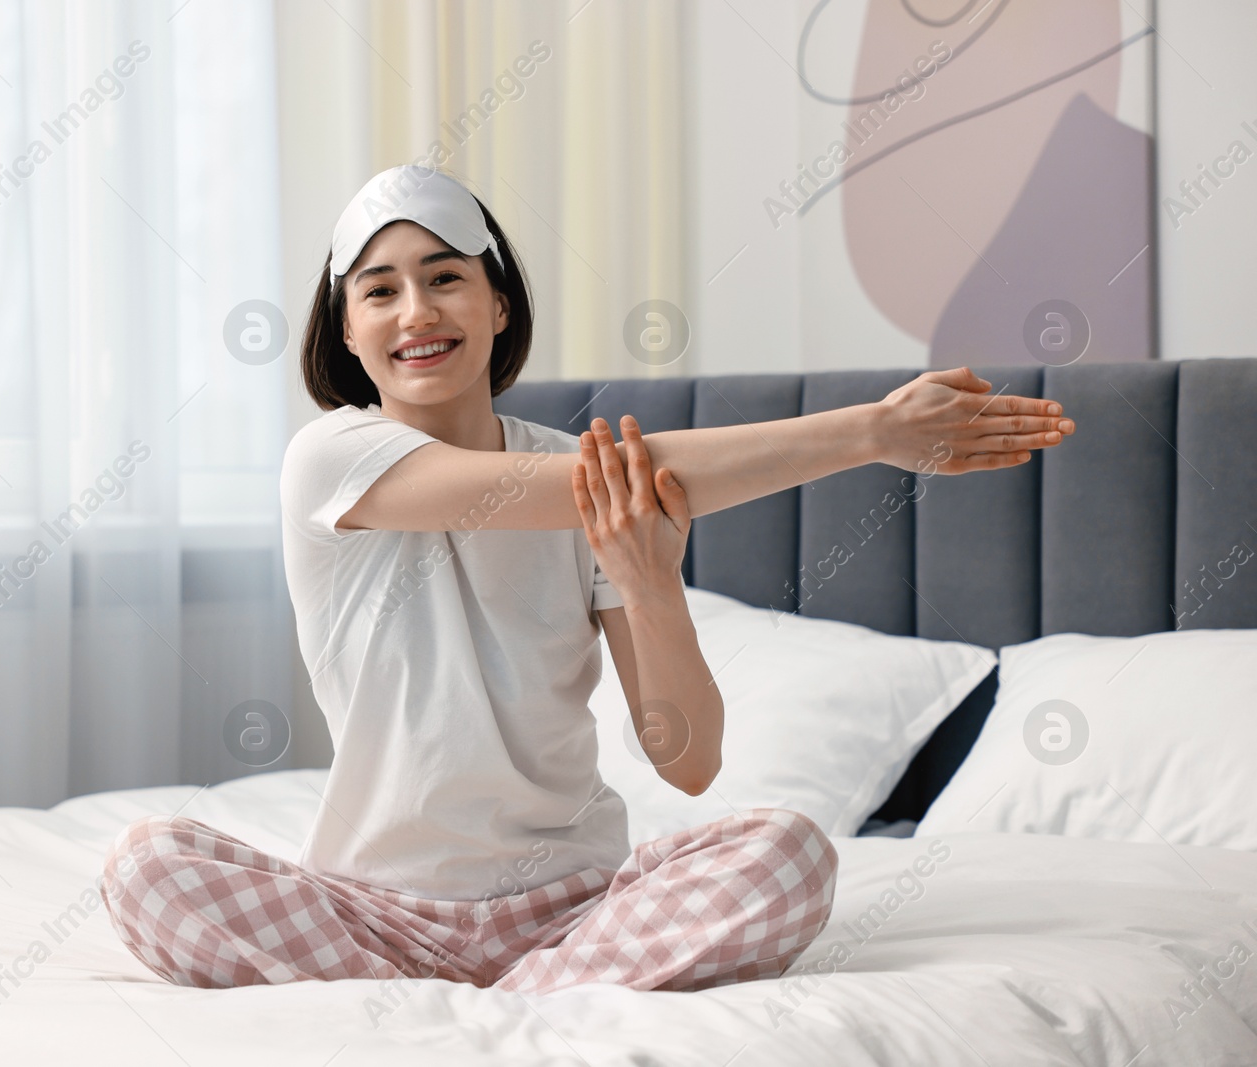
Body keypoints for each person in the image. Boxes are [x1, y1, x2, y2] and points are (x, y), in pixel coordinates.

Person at [100, 163, 1075, 996]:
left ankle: (503, 997)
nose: (417, 311)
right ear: (347, 332)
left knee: (787, 851)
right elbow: (604, 480)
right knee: (148, 862)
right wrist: (873, 432)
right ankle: (515, 1002)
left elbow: (685, 762)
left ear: (497, 305)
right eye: (380, 290)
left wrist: (652, 585)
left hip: (572, 907)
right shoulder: (331, 458)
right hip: (369, 907)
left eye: (444, 278)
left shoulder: (584, 488)